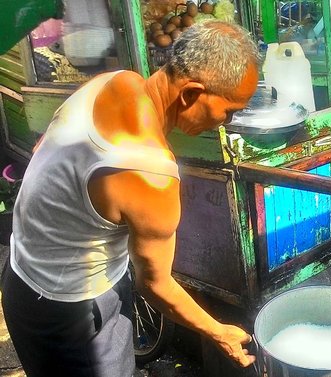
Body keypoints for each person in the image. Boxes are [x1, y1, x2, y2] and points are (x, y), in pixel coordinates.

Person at [1, 20, 259, 376]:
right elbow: (155, 286)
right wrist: (220, 332)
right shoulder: (150, 172)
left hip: (20, 279)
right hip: (75, 317)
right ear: (190, 94)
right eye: (229, 110)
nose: (227, 122)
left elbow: (43, 146)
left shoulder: (113, 81)